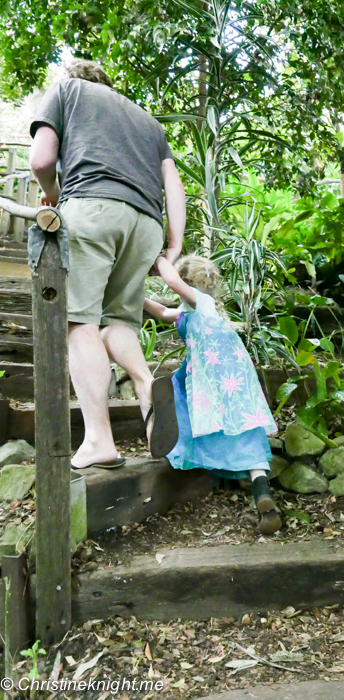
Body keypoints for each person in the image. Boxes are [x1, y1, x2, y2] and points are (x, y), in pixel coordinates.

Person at [29, 58, 184, 468]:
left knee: (79, 321)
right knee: (118, 321)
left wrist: (54, 193)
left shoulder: (67, 92)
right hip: (146, 225)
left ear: (73, 78)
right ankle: (147, 385)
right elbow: (173, 181)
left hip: (92, 210)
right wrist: (174, 242)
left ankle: (99, 438)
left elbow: (42, 161)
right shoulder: (149, 123)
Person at [144, 255, 282, 535]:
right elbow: (160, 312)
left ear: (187, 281)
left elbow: (171, 280)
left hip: (214, 372)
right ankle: (262, 492)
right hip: (234, 375)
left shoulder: (200, 300)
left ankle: (174, 443)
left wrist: (158, 257)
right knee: (243, 426)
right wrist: (131, 291)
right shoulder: (196, 308)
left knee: (178, 394)